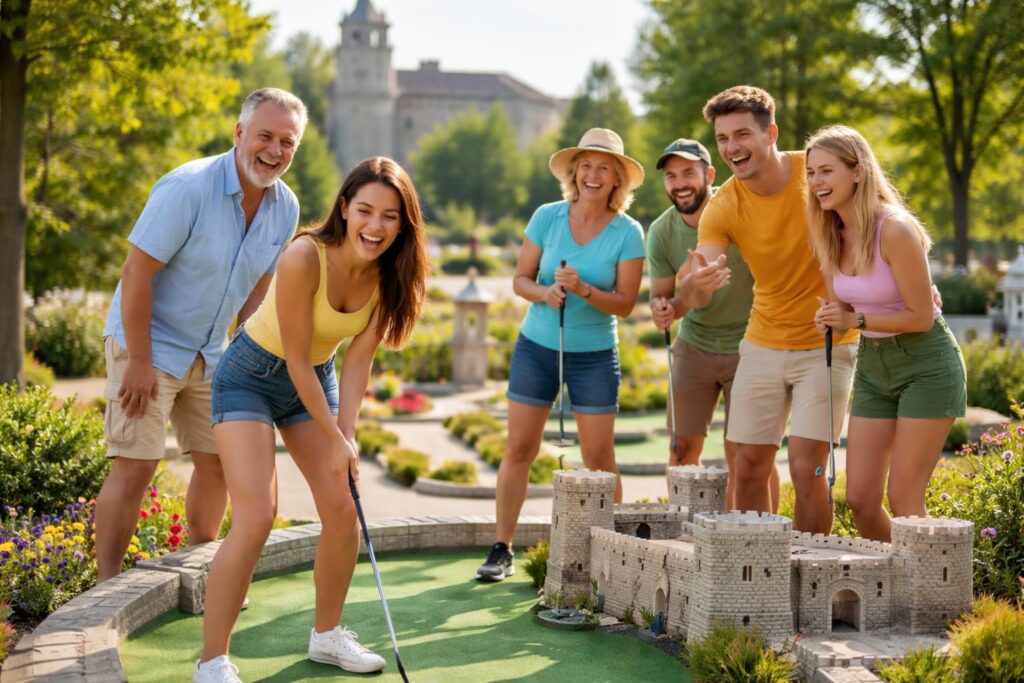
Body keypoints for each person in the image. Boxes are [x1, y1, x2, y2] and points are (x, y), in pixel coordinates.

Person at [194, 157, 428, 682]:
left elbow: (357, 362)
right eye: (365, 210)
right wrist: (334, 436)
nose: (375, 226)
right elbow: (295, 358)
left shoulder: (390, 277)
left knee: (343, 509)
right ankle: (211, 663)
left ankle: (326, 636)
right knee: (256, 517)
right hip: (250, 375)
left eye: (390, 216)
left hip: (312, 383)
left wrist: (347, 435)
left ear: (403, 223)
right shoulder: (305, 256)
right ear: (344, 208)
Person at [95, 88, 306, 583]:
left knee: (220, 466)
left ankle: (205, 571)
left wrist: (244, 353)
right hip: (148, 342)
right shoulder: (187, 188)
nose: (275, 151)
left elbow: (261, 283)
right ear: (239, 134)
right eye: (265, 137)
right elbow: (136, 273)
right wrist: (142, 362)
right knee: (136, 468)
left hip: (215, 354)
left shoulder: (286, 207)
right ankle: (103, 588)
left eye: (287, 142)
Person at [679, 86, 858, 533]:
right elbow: (701, 283)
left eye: (742, 134)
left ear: (770, 132)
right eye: (722, 138)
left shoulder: (814, 172)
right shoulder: (722, 206)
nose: (732, 148)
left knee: (806, 467)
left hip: (827, 342)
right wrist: (696, 284)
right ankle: (759, 579)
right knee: (749, 465)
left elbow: (876, 218)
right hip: (762, 341)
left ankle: (809, 571)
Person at [476, 128, 646, 581]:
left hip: (593, 354)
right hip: (537, 348)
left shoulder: (628, 233)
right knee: (520, 448)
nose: (593, 175)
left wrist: (586, 290)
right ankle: (502, 547)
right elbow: (520, 280)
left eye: (604, 168)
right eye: (586, 166)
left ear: (616, 180)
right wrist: (546, 293)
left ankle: (618, 554)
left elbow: (627, 304)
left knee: (599, 457)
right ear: (575, 173)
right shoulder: (548, 217)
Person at [807, 125, 966, 542]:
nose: (816, 182)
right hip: (874, 367)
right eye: (810, 173)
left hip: (926, 363)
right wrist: (829, 315)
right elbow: (839, 308)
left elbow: (920, 318)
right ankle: (900, 580)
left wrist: (855, 322)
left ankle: (932, 598)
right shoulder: (828, 234)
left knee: (905, 498)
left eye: (826, 171)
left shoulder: (894, 229)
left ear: (857, 171)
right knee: (860, 498)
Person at [646, 138, 779, 510]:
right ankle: (692, 536)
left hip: (751, 343)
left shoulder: (741, 209)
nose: (680, 183)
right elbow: (666, 299)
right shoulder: (661, 231)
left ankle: (754, 536)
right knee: (681, 450)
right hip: (695, 345)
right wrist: (663, 307)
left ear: (709, 174)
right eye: (671, 176)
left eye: (688, 172)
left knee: (747, 452)